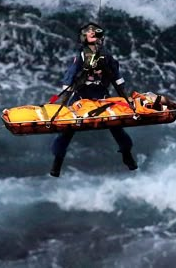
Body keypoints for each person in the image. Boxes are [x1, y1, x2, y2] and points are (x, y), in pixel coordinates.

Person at [50, 22, 138, 177]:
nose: (91, 34)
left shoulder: (108, 56)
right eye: (87, 32)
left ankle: (126, 153)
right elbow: (69, 78)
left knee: (117, 128)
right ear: (83, 37)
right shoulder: (80, 56)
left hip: (102, 98)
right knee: (66, 131)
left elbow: (116, 76)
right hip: (80, 98)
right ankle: (57, 161)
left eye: (94, 32)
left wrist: (126, 98)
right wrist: (62, 102)